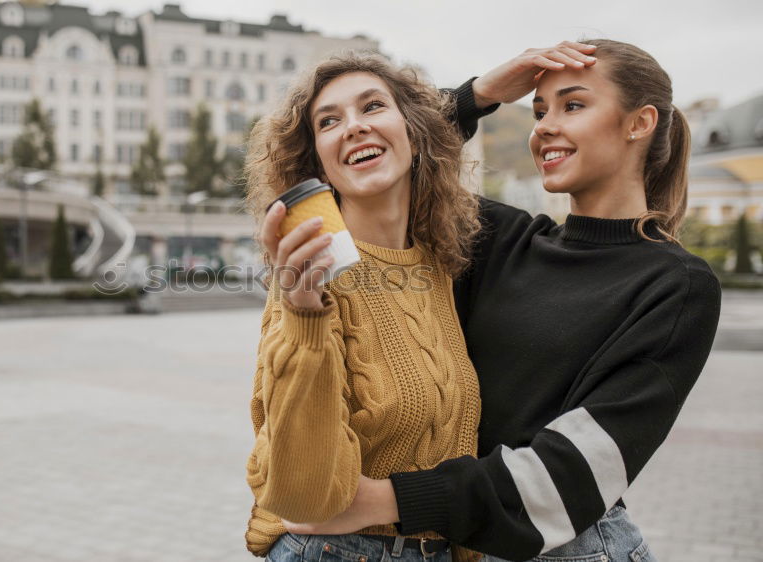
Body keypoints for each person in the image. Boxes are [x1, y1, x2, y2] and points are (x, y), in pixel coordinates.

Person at [283, 39, 722, 562]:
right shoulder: (502, 239)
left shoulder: (676, 284)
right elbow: (385, 155)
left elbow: (578, 467)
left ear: (639, 122)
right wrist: (480, 93)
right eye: (538, 111)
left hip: (572, 549)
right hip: (456, 543)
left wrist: (382, 500)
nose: (543, 128)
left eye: (572, 106)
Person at [243, 43, 600, 561]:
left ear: (416, 132)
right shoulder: (313, 279)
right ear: (316, 158)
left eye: (372, 107)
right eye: (328, 122)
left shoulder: (440, 260)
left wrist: (481, 93)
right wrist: (303, 316)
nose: (354, 127)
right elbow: (307, 496)